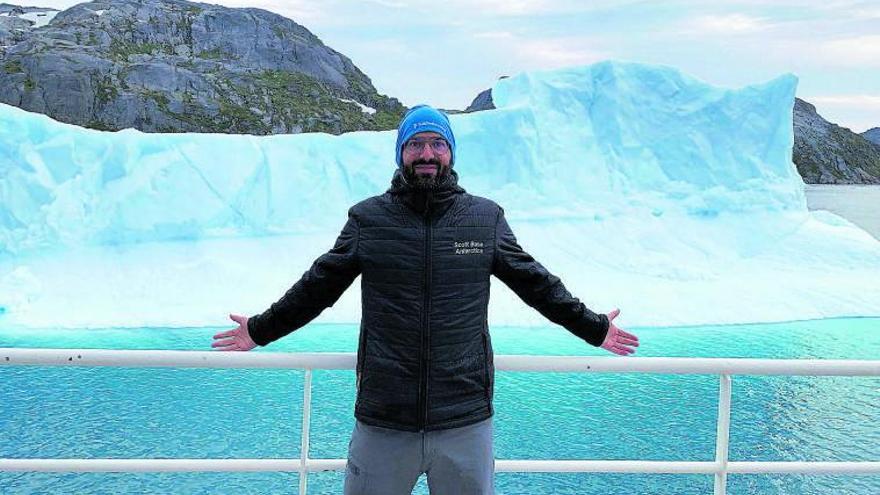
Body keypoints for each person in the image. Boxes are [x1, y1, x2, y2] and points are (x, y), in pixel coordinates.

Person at [211, 105, 639, 494]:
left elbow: (536, 283)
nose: (427, 153)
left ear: (450, 153)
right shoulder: (369, 219)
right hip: (384, 417)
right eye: (415, 144)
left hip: (464, 415)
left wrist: (594, 328)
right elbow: (317, 287)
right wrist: (259, 330)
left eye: (437, 143)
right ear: (401, 153)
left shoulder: (483, 219)